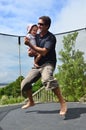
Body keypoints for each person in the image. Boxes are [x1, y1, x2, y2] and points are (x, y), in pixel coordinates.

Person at [21, 16, 67, 116]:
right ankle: (31, 101)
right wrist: (30, 52)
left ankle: (62, 103)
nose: (39, 26)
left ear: (47, 26)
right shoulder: (36, 36)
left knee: (46, 79)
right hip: (38, 65)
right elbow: (32, 52)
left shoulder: (50, 38)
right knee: (24, 84)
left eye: (41, 24)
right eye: (38, 24)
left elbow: (44, 52)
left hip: (48, 63)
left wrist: (29, 45)